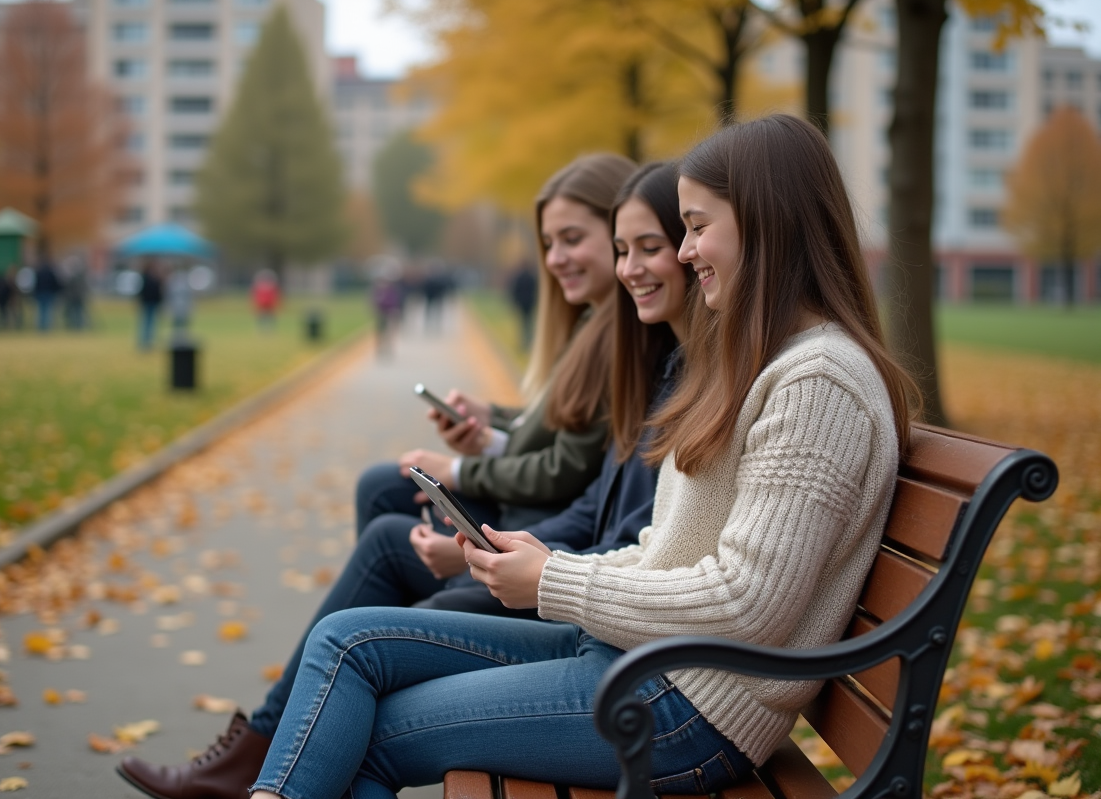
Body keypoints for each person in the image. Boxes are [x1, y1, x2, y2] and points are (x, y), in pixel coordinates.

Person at [236, 114, 918, 799]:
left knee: (370, 736)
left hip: (683, 709)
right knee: (346, 643)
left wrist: (556, 584)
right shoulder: (765, 365)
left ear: (768, 223)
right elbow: (665, 552)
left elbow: (750, 604)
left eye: (698, 227)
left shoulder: (819, 381)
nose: (685, 252)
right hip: (634, 660)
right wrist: (550, 564)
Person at [115, 159, 689, 799]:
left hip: (603, 633)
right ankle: (264, 759)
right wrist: (489, 451)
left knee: (368, 627)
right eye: (618, 249)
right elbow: (584, 473)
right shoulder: (628, 341)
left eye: (647, 247)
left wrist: (483, 505)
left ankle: (262, 756)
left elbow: (584, 484)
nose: (564, 258)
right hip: (580, 592)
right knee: (378, 550)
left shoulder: (656, 352)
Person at [354, 152, 637, 543]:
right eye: (548, 243)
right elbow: (562, 424)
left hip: (538, 526)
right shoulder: (592, 322)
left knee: (385, 522)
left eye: (572, 239)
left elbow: (566, 467)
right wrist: (490, 420)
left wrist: (460, 471)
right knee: (383, 492)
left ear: (623, 232)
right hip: (530, 515)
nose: (554, 259)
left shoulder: (623, 336)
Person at [508, 261, 537, 350]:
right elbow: (536, 291)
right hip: (530, 303)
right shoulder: (531, 277)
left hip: (522, 304)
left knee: (523, 324)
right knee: (528, 323)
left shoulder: (519, 277)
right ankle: (528, 341)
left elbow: (515, 291)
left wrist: (515, 302)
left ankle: (524, 342)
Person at [137, 259, 164, 350]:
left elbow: (159, 291)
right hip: (147, 302)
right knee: (147, 322)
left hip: (153, 302)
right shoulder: (146, 278)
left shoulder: (155, 277)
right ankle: (145, 341)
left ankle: (149, 340)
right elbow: (144, 291)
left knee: (151, 322)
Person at [33, 255, 61, 332]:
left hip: (40, 293)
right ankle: (47, 327)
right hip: (49, 293)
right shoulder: (50, 272)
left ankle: (41, 327)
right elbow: (55, 283)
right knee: (48, 311)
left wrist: (35, 293)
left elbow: (36, 284)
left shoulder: (38, 272)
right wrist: (56, 291)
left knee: (41, 311)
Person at [61, 256, 89, 331]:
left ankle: (77, 326)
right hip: (76, 297)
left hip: (75, 297)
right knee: (76, 312)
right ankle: (77, 326)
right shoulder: (79, 276)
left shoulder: (72, 276)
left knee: (76, 312)